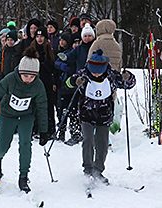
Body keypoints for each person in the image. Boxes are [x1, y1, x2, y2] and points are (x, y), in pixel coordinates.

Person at [0, 51, 48, 193]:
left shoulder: (38, 85)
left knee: (25, 145)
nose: (28, 79)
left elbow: (42, 107)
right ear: (20, 72)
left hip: (26, 117)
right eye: (25, 76)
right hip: (7, 115)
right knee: (3, 146)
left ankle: (23, 176)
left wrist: (43, 131)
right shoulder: (10, 79)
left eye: (32, 76)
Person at [65, 49, 135, 183]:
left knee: (102, 144)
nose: (96, 74)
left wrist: (128, 77)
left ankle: (98, 170)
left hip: (104, 114)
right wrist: (75, 82)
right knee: (88, 140)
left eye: (99, 71)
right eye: (93, 71)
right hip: (87, 113)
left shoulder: (111, 75)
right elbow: (67, 84)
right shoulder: (84, 74)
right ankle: (88, 168)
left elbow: (128, 84)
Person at [58, 23, 95, 145]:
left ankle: (90, 134)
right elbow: (70, 56)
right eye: (86, 36)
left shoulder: (94, 48)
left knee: (90, 109)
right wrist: (64, 58)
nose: (87, 38)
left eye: (90, 36)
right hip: (79, 82)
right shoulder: (79, 49)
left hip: (93, 83)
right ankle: (75, 133)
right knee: (75, 109)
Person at [27, 26, 59, 138]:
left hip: (47, 82)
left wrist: (43, 60)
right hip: (34, 81)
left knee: (48, 106)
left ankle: (50, 129)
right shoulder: (31, 49)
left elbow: (54, 69)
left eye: (42, 36)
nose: (39, 39)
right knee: (34, 105)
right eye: (38, 36)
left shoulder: (49, 50)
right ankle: (35, 128)